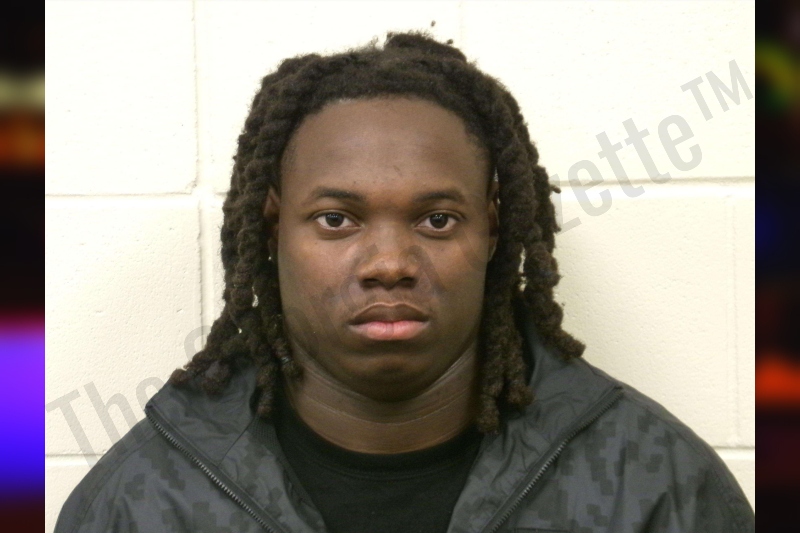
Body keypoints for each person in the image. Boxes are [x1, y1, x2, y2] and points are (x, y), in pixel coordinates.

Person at [55, 32, 755, 533]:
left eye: (437, 219)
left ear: (493, 230)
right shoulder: (141, 502)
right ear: (271, 232)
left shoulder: (656, 486)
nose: (389, 262)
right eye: (336, 219)